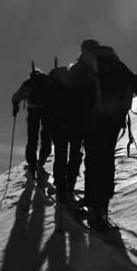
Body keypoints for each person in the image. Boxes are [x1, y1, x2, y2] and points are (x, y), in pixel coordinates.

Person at [68, 39, 137, 230]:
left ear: (83, 51)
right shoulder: (114, 62)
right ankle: (102, 207)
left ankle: (93, 206)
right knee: (106, 161)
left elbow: (71, 95)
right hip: (113, 121)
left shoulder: (81, 68)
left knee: (93, 162)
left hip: (91, 122)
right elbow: (136, 82)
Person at [44, 66, 83, 203]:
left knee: (61, 156)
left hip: (58, 128)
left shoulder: (52, 89)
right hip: (75, 126)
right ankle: (69, 186)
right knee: (75, 155)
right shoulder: (75, 85)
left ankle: (61, 188)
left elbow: (48, 109)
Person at [12, 67, 52, 177]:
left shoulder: (29, 83)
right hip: (46, 111)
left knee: (32, 138)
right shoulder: (47, 80)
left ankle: (32, 165)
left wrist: (15, 107)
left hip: (33, 111)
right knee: (46, 136)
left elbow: (16, 97)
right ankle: (41, 163)